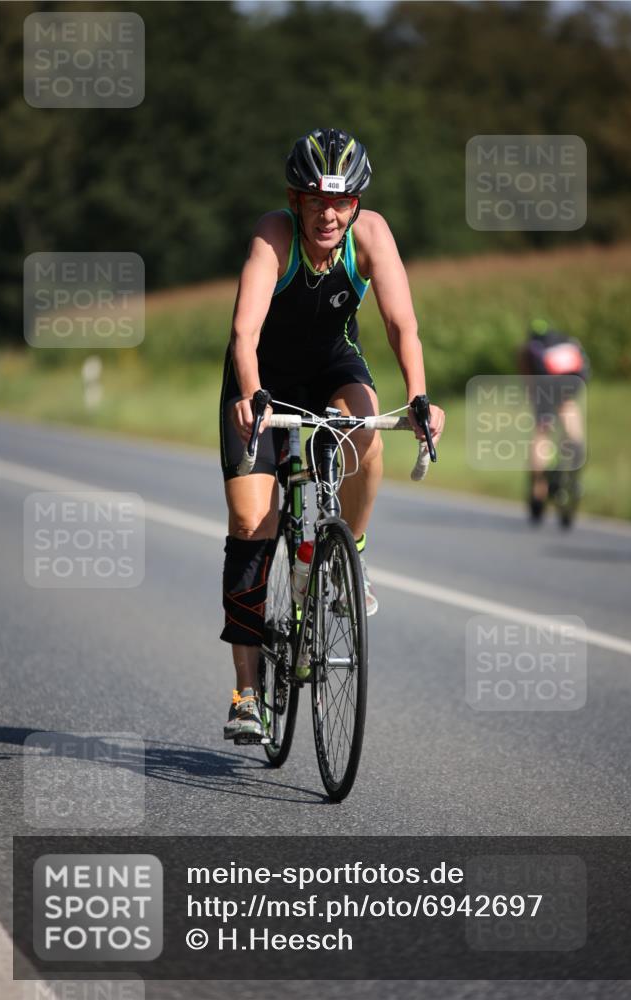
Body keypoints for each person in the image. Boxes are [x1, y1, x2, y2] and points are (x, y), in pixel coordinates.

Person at [219, 127, 444, 741]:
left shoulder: (369, 236)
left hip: (330, 368)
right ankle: (246, 693)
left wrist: (419, 397)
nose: (329, 213)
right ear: (295, 199)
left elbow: (402, 325)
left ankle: (353, 557)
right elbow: (244, 334)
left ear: (358, 204)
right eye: (317, 199)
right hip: (261, 379)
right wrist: (250, 395)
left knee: (367, 432)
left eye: (342, 201)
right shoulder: (274, 235)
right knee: (250, 524)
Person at [518, 319, 589, 523]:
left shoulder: (527, 348)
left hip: (545, 388)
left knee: (542, 433)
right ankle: (575, 445)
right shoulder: (567, 341)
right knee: (568, 409)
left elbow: (528, 381)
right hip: (572, 384)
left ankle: (538, 489)